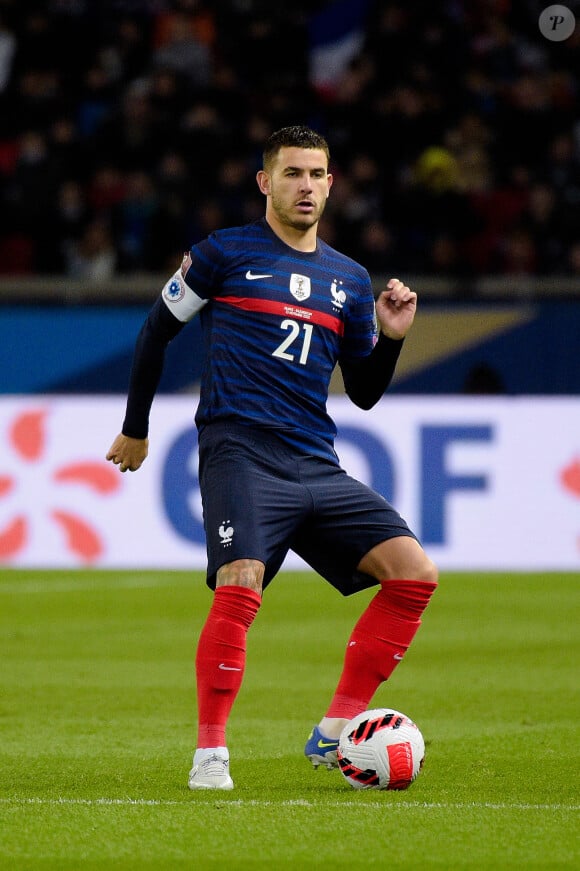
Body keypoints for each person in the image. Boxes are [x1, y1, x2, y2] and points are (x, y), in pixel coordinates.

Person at [106, 125, 438, 791]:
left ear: (331, 183)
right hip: (240, 454)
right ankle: (210, 754)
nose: (306, 186)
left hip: (315, 461)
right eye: (292, 174)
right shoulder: (222, 255)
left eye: (317, 174)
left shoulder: (348, 278)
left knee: (414, 573)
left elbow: (366, 393)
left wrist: (394, 338)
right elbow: (156, 331)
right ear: (266, 182)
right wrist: (135, 428)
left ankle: (338, 726)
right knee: (242, 578)